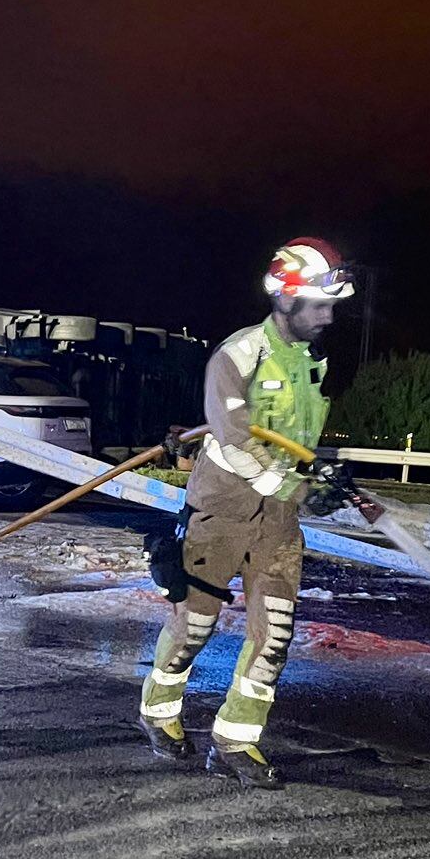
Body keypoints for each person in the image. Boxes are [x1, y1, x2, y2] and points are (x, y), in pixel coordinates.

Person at [137, 238, 355, 789]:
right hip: (223, 507)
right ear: (285, 299)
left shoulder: (312, 362)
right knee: (196, 624)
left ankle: (237, 739)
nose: (328, 315)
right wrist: (295, 487)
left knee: (274, 633)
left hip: (278, 521)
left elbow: (294, 437)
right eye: (317, 303)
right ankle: (159, 713)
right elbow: (234, 441)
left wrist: (319, 473)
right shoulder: (238, 354)